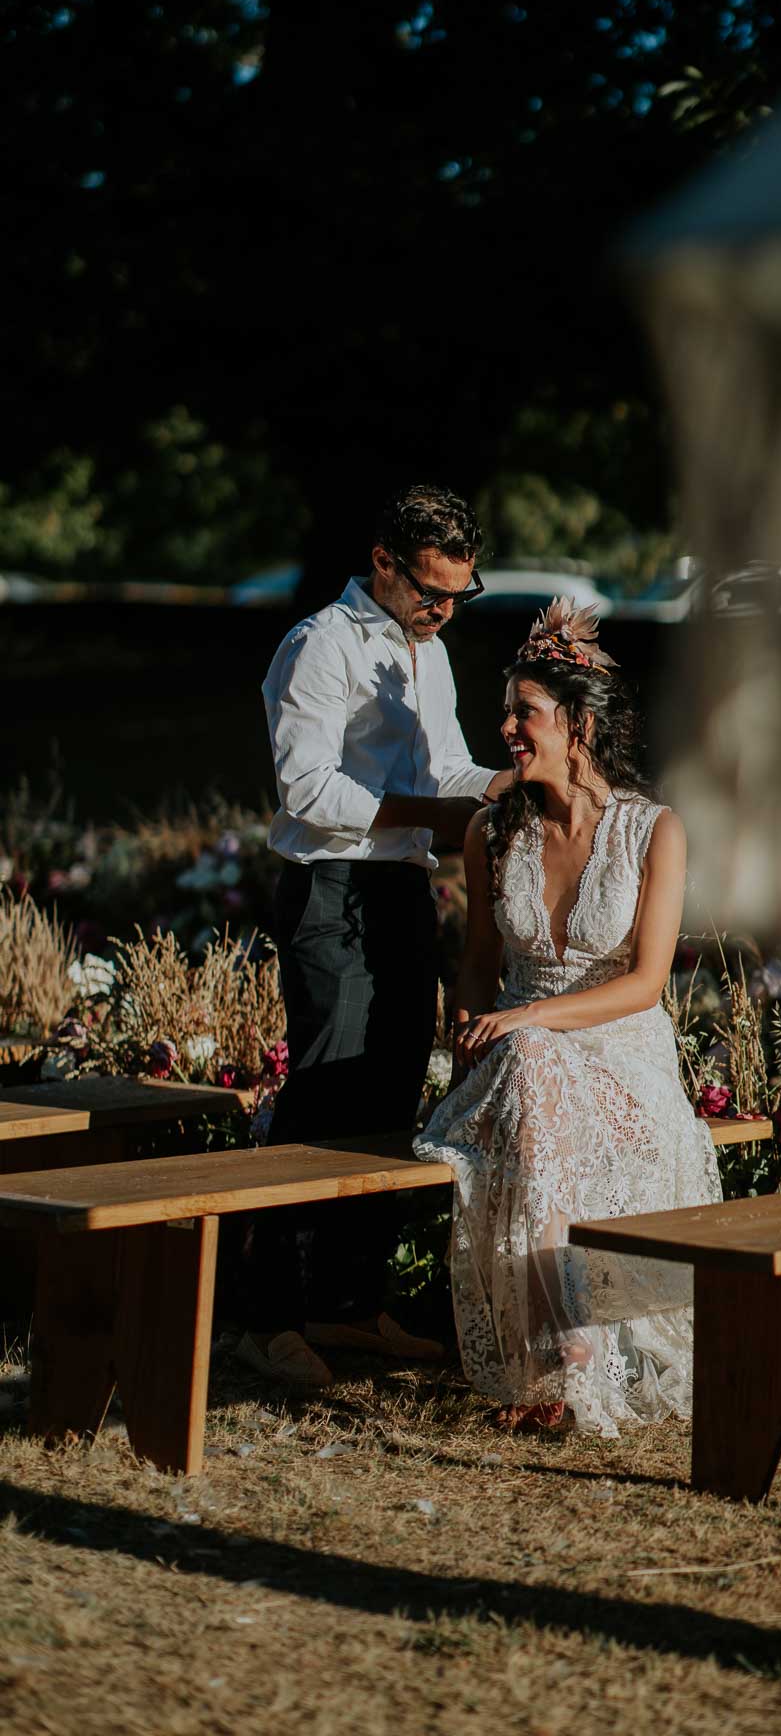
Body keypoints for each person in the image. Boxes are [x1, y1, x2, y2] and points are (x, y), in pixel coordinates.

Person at [414, 598, 722, 1434]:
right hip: (515, 1066)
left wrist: (527, 1022)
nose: (507, 726)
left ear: (579, 724)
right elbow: (478, 963)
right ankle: (565, 1336)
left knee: (538, 1058)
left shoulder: (652, 831)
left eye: (525, 712)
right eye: (506, 710)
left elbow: (645, 985)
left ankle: (558, 1342)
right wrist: (474, 1036)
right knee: (531, 1070)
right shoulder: (490, 831)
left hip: (621, 1057)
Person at [237, 484, 512, 1389]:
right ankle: (263, 1314)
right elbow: (307, 791)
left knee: (392, 1089)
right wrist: (434, 815)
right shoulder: (318, 645)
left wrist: (511, 789)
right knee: (323, 1093)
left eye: (458, 595)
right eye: (429, 590)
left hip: (400, 889)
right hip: (328, 888)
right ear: (383, 563)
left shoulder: (426, 655)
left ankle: (349, 1304)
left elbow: (450, 767)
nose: (442, 610)